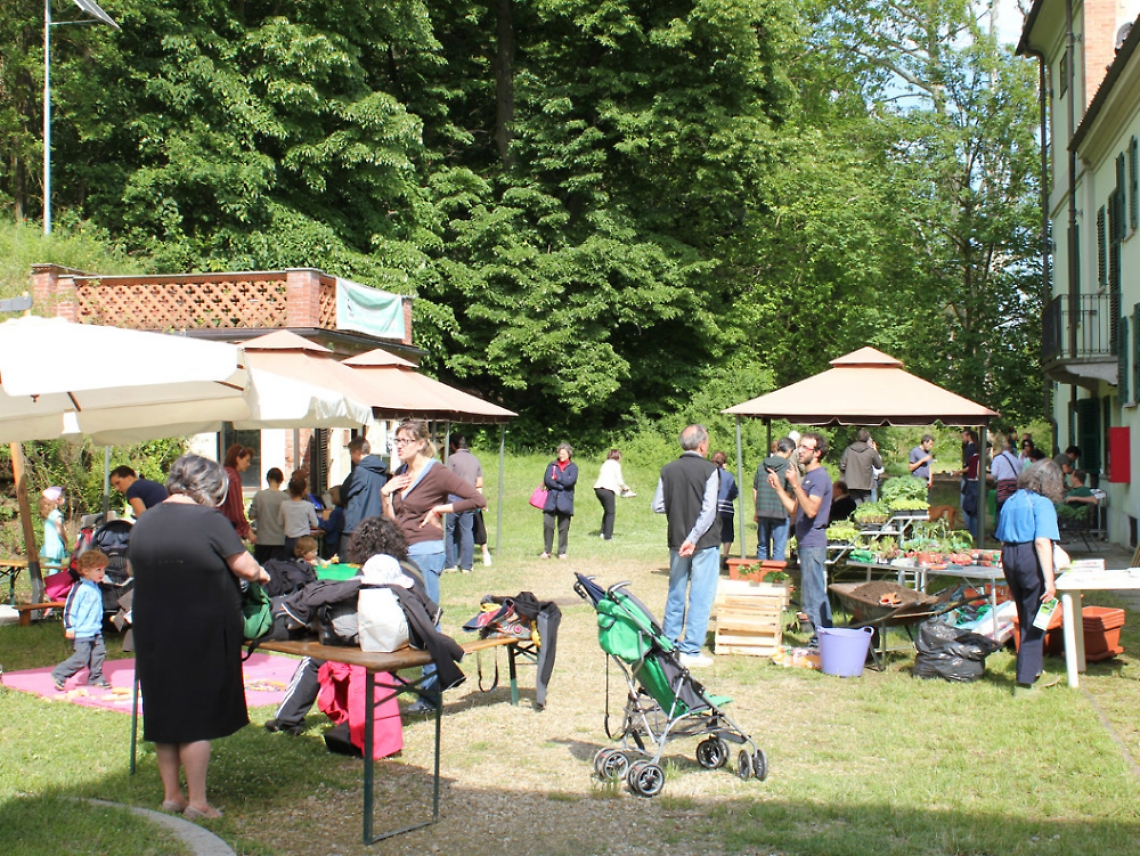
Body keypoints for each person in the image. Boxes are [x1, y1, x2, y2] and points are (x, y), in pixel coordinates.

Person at [129, 453, 269, 819]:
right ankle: (198, 803)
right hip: (198, 629)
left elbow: (134, 566)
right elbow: (244, 565)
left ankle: (171, 796)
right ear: (208, 487)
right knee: (195, 718)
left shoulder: (145, 520)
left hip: (152, 628)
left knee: (164, 714)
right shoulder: (208, 519)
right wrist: (261, 575)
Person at [268, 517, 419, 736]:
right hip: (408, 635)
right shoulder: (413, 568)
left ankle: (287, 718)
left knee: (314, 657)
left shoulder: (371, 569)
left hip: (377, 637)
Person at [382, 420, 486, 709]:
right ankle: (391, 688)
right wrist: (385, 494)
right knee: (401, 617)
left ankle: (429, 695)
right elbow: (393, 522)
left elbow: (477, 498)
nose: (399, 445)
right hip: (401, 553)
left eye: (404, 440)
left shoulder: (437, 472)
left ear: (420, 443)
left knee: (428, 619)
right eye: (396, 440)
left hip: (426, 553)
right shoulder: (401, 473)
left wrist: (442, 508)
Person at [652, 424, 721, 668]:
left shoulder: (668, 470)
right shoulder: (710, 470)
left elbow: (658, 505)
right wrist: (693, 538)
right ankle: (691, 649)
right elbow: (708, 510)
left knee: (676, 592)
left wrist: (679, 516)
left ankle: (669, 645)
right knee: (701, 594)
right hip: (703, 541)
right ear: (702, 445)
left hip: (676, 539)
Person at [995, 461, 1063, 697]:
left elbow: (1002, 539)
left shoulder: (1011, 500)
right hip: (1029, 557)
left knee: (1026, 614)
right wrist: (1050, 582)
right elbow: (1042, 542)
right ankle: (1024, 683)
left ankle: (1034, 668)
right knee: (1037, 618)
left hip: (1009, 557)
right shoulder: (1042, 503)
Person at [767, 432, 833, 647]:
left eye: (806, 447)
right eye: (800, 447)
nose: (800, 450)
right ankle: (821, 639)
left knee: (815, 594)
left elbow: (812, 510)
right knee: (811, 593)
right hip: (806, 542)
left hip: (814, 542)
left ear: (817, 453)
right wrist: (778, 487)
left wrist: (795, 484)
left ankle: (823, 641)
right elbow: (796, 510)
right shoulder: (809, 479)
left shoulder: (820, 477)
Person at [51, 550, 111, 691]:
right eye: (98, 570)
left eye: (103, 569)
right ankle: (60, 673)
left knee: (98, 654)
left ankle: (96, 678)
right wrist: (69, 627)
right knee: (82, 658)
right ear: (85, 571)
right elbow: (69, 609)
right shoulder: (80, 588)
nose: (102, 573)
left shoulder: (96, 587)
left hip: (95, 629)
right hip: (81, 631)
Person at [444, 435, 484, 572]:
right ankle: (467, 565)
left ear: (453, 446)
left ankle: (450, 564)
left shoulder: (452, 459)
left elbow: (447, 480)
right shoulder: (475, 459)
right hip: (469, 499)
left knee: (449, 531)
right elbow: (480, 483)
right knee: (467, 531)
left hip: (453, 499)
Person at [754, 437, 794, 561]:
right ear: (790, 451)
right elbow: (790, 492)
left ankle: (761, 576)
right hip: (781, 512)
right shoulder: (789, 467)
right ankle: (775, 578)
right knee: (779, 548)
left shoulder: (761, 466)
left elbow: (755, 489)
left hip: (763, 511)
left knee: (762, 546)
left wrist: (757, 509)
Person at [342, 436, 388, 538]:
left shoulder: (359, 472)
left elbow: (344, 493)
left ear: (357, 453)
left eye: (351, 454)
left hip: (357, 525)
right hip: (376, 524)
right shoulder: (381, 473)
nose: (351, 458)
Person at [540, 443, 578, 559]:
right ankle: (547, 550)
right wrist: (560, 485)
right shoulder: (552, 465)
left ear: (569, 454)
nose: (561, 455)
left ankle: (561, 551)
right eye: (560, 453)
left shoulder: (573, 467)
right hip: (551, 500)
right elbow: (547, 480)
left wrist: (557, 478)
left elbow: (570, 482)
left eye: (564, 453)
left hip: (565, 501)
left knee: (564, 528)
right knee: (548, 525)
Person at [249, 468, 288, 564]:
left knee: (262, 570)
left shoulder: (259, 495)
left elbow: (251, 516)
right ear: (281, 481)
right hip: (280, 540)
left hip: (262, 540)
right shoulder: (286, 497)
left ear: (268, 479)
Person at [593, 449, 631, 541]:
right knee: (611, 512)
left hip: (598, 489)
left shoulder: (605, 464)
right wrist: (625, 487)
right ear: (618, 456)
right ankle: (608, 536)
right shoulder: (615, 465)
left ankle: (603, 532)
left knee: (607, 511)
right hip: (607, 490)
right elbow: (619, 479)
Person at [279, 475, 320, 557]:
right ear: (304, 490)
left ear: (289, 490)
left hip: (289, 539)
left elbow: (279, 522)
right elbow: (315, 523)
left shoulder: (284, 504)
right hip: (304, 540)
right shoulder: (308, 505)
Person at [838, 429, 882, 504]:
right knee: (867, 507)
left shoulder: (849, 450)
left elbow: (842, 466)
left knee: (855, 505)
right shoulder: (871, 451)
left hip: (851, 483)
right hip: (866, 483)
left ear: (857, 437)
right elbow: (879, 466)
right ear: (868, 439)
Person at [220, 444, 254, 540]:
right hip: (227, 526)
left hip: (215, 521)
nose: (248, 464)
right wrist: (247, 531)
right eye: (246, 460)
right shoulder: (234, 478)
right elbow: (237, 510)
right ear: (238, 459)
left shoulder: (222, 473)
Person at [711, 451, 738, 563]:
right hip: (726, 510)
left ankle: (714, 555)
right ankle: (725, 555)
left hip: (712, 510)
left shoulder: (708, 474)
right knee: (727, 533)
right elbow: (734, 492)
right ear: (724, 463)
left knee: (713, 533)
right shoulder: (729, 476)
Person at [991, 434, 1022, 521]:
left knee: (999, 509)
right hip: (1014, 487)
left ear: (1001, 449)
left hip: (1003, 487)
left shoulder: (998, 459)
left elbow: (994, 474)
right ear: (1011, 450)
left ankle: (999, 531)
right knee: (1012, 510)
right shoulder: (1016, 460)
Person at [957, 430, 981, 543]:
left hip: (970, 480)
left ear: (969, 437)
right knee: (974, 507)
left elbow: (970, 466)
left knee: (967, 505)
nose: (962, 438)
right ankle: (974, 531)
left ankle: (970, 530)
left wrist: (958, 472)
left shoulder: (970, 450)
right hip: (974, 480)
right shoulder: (977, 449)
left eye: (963, 436)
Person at [39, 487, 69, 567]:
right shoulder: (56, 514)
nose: (65, 499)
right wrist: (65, 540)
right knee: (55, 568)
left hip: (49, 545)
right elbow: (59, 529)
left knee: (52, 565)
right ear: (57, 499)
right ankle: (51, 580)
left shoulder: (48, 514)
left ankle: (48, 579)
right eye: (63, 497)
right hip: (56, 546)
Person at [317, 484, 346, 560]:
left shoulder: (337, 512)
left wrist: (316, 519)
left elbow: (328, 526)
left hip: (332, 542)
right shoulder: (344, 510)